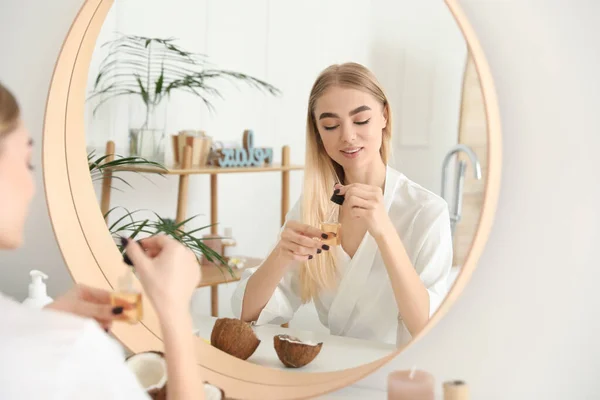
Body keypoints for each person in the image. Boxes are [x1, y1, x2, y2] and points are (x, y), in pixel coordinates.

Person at [0, 81, 205, 399]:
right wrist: (176, 315)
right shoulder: (69, 350)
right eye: (28, 162)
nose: (31, 185)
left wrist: (40, 327)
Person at [231, 62, 453, 347]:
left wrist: (384, 232)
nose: (347, 136)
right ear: (318, 132)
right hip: (334, 368)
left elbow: (426, 326)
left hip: (398, 372)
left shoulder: (427, 212)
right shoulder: (313, 208)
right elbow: (246, 314)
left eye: (360, 121)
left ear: (384, 116)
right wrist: (280, 255)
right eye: (331, 125)